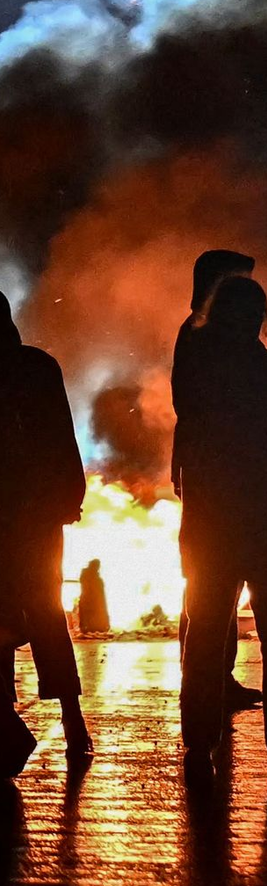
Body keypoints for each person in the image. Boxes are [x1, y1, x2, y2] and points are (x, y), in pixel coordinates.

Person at [172, 277, 267, 786]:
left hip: (210, 527)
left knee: (206, 633)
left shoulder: (197, 378)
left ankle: (198, 743)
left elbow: (189, 442)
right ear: (260, 318)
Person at [0, 291, 92, 775]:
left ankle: (9, 716)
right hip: (35, 519)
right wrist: (68, 496)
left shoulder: (33, 370)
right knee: (44, 616)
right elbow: (63, 435)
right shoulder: (37, 367)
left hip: (20, 516)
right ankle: (73, 723)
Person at [173, 249, 262, 712]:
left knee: (209, 581)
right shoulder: (199, 338)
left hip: (207, 473)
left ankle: (211, 681)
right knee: (209, 583)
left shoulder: (200, 337)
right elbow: (190, 408)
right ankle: (206, 682)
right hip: (218, 478)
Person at [77, 559, 110, 634]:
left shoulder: (92, 577)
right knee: (89, 616)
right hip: (90, 601)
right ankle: (91, 628)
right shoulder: (91, 577)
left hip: (93, 602)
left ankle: (95, 628)